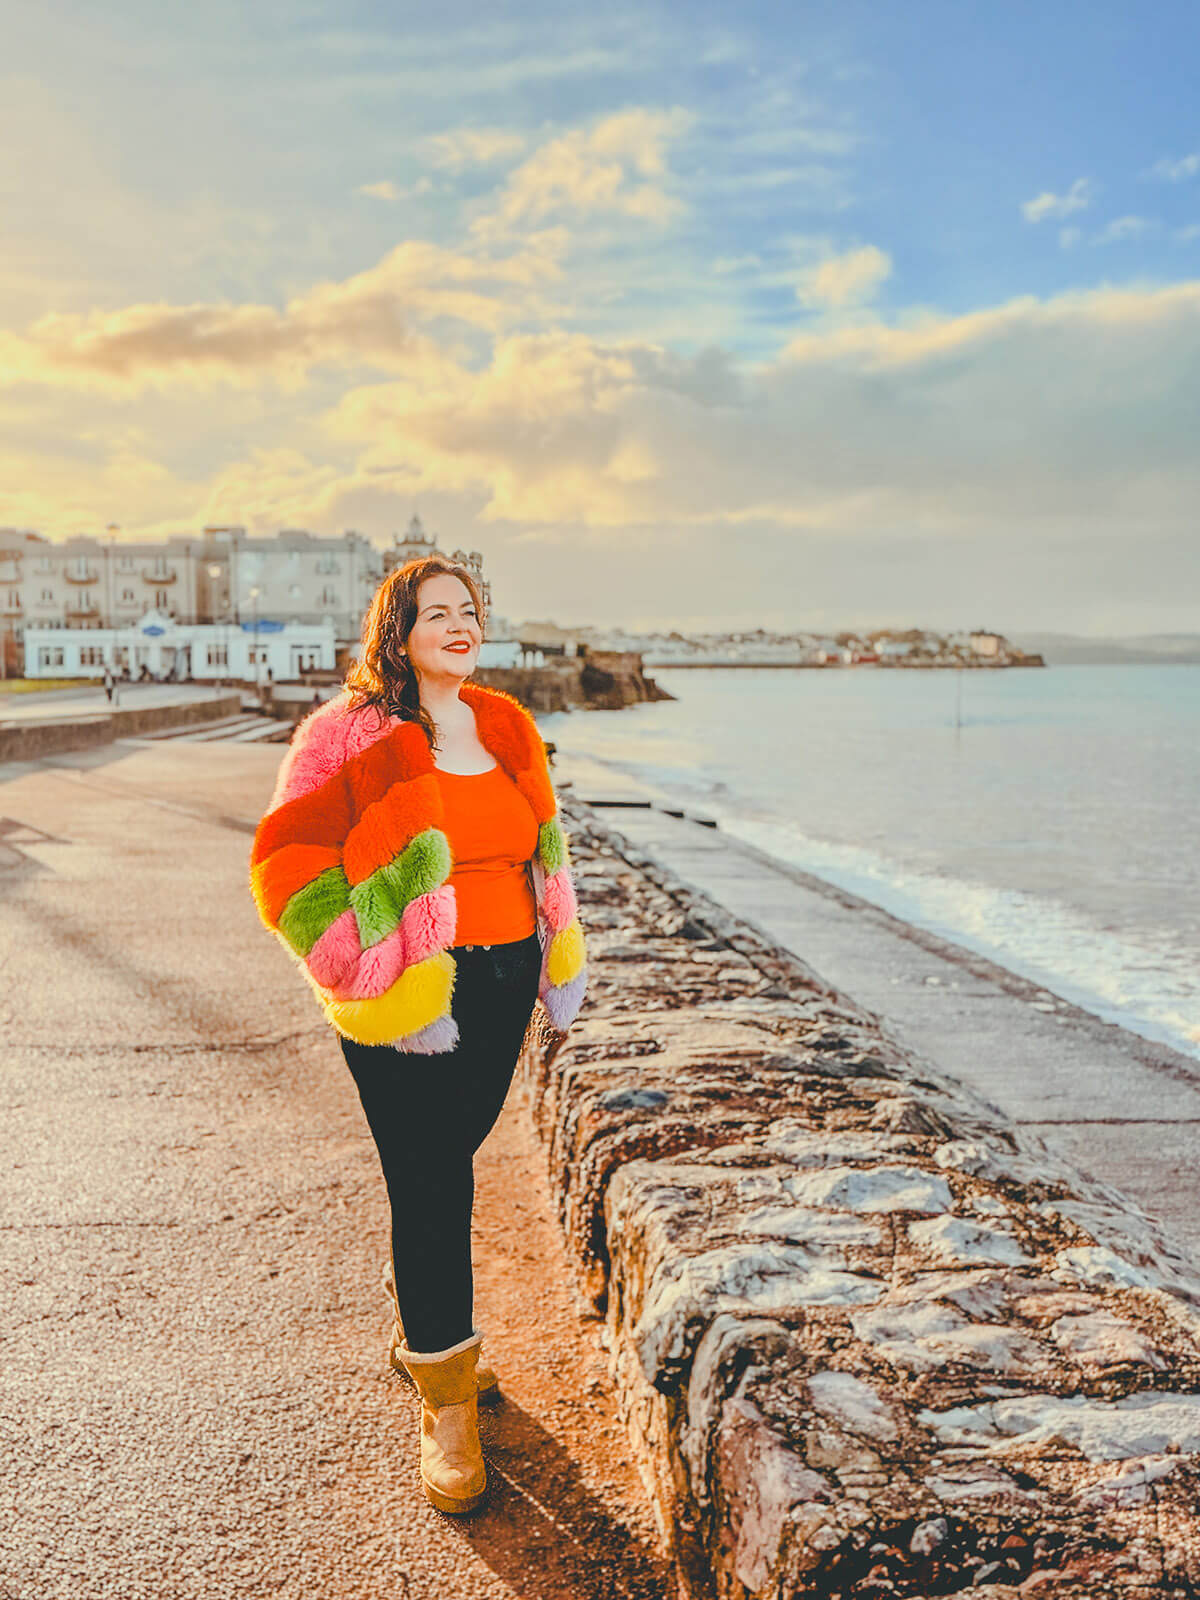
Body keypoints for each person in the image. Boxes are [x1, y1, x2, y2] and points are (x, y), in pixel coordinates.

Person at [248, 554, 588, 1516]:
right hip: (404, 994)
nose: (458, 623)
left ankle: (425, 1330)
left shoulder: (509, 724)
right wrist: (355, 963)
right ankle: (445, 1396)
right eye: (436, 611)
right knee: (430, 1171)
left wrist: (553, 947)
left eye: (470, 609)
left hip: (502, 973)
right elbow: (285, 862)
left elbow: (544, 847)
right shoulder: (349, 735)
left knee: (453, 1159)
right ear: (396, 632)